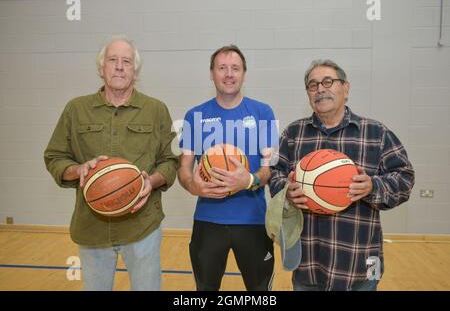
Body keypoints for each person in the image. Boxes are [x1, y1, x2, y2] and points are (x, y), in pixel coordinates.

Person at [44, 35, 179, 291]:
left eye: (126, 61)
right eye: (113, 60)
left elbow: (170, 161)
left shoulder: (156, 109)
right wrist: (77, 169)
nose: (119, 66)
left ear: (135, 71)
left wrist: (151, 181)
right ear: (101, 68)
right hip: (92, 227)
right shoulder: (76, 109)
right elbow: (54, 157)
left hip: (143, 227)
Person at [269, 59, 415, 291]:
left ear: (345, 88)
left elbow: (405, 178)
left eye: (328, 81)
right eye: (313, 85)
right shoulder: (293, 133)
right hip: (308, 265)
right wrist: (286, 191)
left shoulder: (375, 133)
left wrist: (373, 187)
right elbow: (274, 172)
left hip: (360, 263)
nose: (320, 89)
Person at [177, 45, 278, 291]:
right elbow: (184, 168)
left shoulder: (262, 112)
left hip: (253, 221)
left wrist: (249, 180)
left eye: (235, 68)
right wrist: (192, 185)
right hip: (208, 220)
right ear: (211, 73)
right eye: (222, 68)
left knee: (260, 292)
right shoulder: (195, 115)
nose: (229, 74)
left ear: (244, 73)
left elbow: (272, 169)